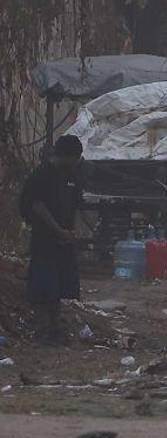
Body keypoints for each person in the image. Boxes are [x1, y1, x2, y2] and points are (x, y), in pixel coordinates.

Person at [20, 135, 84, 343]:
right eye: (75, 157)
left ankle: (56, 329)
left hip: (63, 239)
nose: (76, 161)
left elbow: (73, 205)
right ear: (65, 155)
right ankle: (42, 330)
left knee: (60, 286)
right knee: (43, 285)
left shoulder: (70, 175)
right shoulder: (42, 175)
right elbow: (37, 206)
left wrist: (71, 231)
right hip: (45, 240)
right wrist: (58, 230)